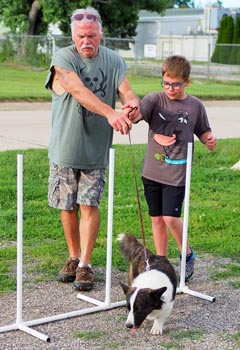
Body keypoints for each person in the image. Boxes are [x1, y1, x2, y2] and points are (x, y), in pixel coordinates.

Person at [45, 7, 140, 291]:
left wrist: (132, 106)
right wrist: (111, 113)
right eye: (80, 36)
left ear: (101, 34)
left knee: (90, 204)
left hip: (96, 149)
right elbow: (77, 90)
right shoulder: (63, 57)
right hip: (65, 146)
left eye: (91, 36)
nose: (86, 41)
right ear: (73, 36)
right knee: (67, 206)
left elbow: (127, 91)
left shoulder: (113, 60)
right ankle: (73, 256)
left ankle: (85, 265)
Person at [130, 55, 217, 281]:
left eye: (176, 84)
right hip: (152, 171)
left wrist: (208, 138)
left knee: (170, 218)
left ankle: (186, 253)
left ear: (186, 82)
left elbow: (202, 130)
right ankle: (161, 265)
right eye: (166, 83)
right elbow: (140, 112)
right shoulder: (155, 100)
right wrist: (131, 112)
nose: (170, 88)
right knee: (157, 219)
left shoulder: (195, 106)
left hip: (177, 173)